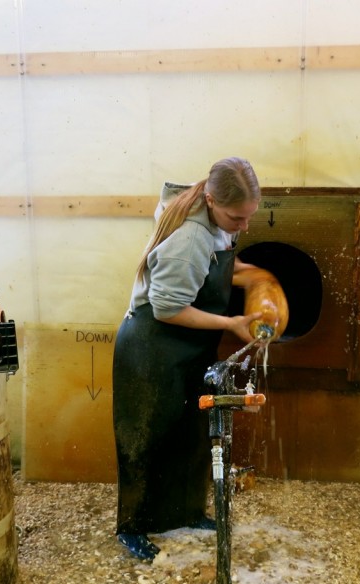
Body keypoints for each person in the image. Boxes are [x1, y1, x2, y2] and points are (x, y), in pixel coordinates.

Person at [112, 157, 262, 562]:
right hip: (152, 345)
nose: (243, 226)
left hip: (185, 346)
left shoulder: (212, 218)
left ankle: (184, 512)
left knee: (190, 433)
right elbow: (166, 308)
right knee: (148, 438)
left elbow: (214, 267)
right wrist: (231, 322)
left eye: (249, 217)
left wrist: (257, 276)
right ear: (211, 200)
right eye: (237, 218)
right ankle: (134, 526)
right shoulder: (190, 237)